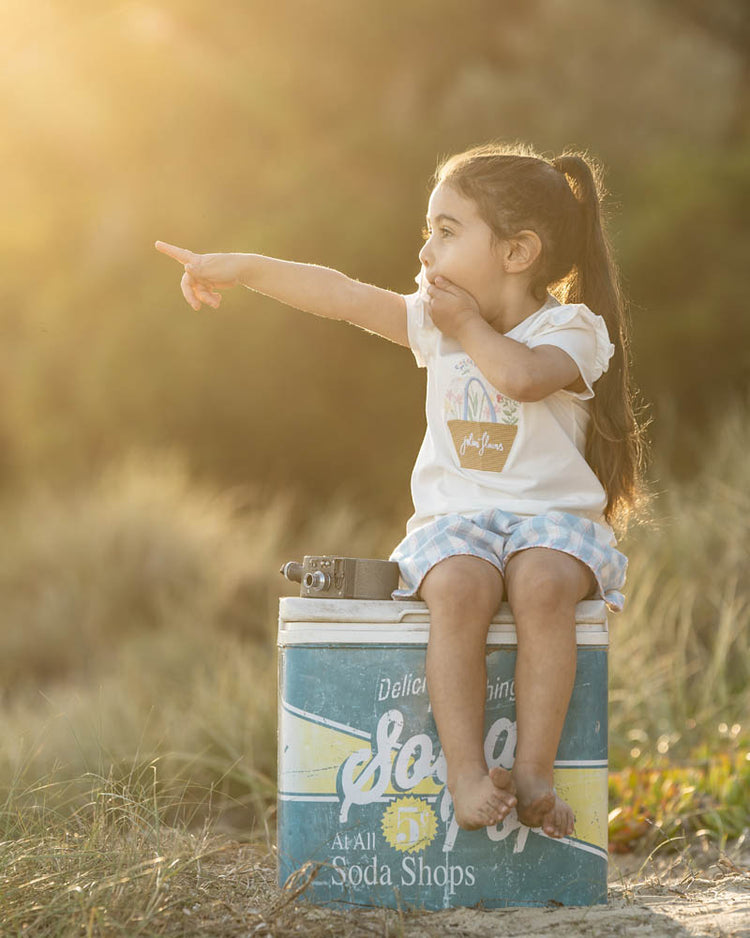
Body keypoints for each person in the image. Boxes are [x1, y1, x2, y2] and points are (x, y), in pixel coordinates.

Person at [155, 142, 646, 840]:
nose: (425, 251)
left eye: (446, 232)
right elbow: (341, 295)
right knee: (459, 588)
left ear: (517, 252)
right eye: (427, 231)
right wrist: (242, 268)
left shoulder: (570, 329)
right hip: (460, 521)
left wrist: (465, 326)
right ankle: (466, 773)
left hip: (550, 521)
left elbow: (523, 378)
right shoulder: (434, 323)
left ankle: (536, 772)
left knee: (541, 584)